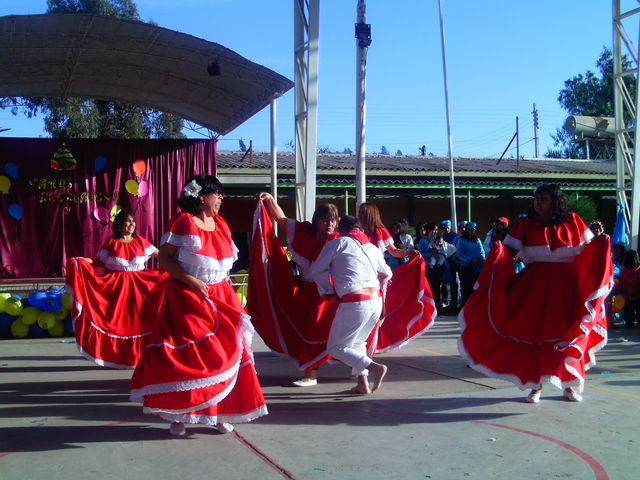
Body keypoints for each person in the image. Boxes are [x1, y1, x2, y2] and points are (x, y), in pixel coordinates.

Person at [130, 175, 267, 436]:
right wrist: (191, 280)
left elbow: (224, 265)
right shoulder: (183, 222)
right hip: (187, 299)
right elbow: (166, 261)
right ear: (202, 196)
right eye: (218, 194)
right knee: (190, 360)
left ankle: (218, 413)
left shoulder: (222, 224)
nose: (221, 199)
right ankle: (179, 416)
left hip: (222, 298)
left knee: (227, 358)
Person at [458, 184, 613, 404]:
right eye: (536, 199)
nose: (538, 203)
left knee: (568, 335)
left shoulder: (573, 221)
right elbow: (508, 251)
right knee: (534, 335)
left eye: (544, 199)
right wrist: (498, 254)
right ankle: (535, 385)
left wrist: (602, 243)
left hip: (567, 288)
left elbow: (589, 247)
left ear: (555, 201)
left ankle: (570, 384)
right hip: (534, 286)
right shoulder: (526, 224)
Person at [249, 192, 340, 387]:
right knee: (306, 332)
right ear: (317, 221)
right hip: (306, 292)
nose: (330, 225)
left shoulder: (339, 240)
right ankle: (321, 372)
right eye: (326, 220)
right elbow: (281, 220)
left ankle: (356, 371)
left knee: (324, 332)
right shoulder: (303, 233)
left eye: (333, 221)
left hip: (329, 294)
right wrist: (271, 200)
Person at [66, 209, 162, 368]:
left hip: (140, 287)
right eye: (127, 221)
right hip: (116, 287)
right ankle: (118, 355)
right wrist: (82, 261)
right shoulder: (111, 242)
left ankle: (141, 356)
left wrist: (178, 258)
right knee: (118, 322)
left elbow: (161, 255)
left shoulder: (141, 241)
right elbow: (100, 262)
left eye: (133, 221)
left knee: (139, 321)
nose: (131, 224)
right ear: (119, 225)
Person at [311, 216, 391, 394]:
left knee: (336, 347)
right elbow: (387, 272)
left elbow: (316, 271)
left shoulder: (338, 243)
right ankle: (363, 384)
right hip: (375, 300)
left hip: (356, 301)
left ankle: (374, 367)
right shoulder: (371, 247)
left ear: (342, 228)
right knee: (358, 343)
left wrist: (328, 290)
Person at [357, 203, 436, 352]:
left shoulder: (381, 232)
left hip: (377, 278)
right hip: (359, 277)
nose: (360, 216)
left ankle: (371, 344)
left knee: (379, 312)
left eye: (363, 213)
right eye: (359, 213)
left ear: (371, 215)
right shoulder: (356, 231)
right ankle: (360, 343)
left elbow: (394, 252)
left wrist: (409, 252)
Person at [419, 232, 457, 312]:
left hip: (442, 266)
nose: (439, 242)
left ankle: (442, 303)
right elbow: (427, 251)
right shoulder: (431, 244)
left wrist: (447, 257)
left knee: (443, 285)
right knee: (435, 286)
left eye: (440, 241)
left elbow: (452, 251)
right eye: (437, 241)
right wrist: (433, 252)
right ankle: (436, 304)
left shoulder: (446, 246)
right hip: (434, 267)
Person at [456, 222, 485, 305]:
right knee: (466, 288)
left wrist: (481, 259)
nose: (472, 231)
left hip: (477, 268)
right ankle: (465, 306)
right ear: (467, 230)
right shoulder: (461, 240)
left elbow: (481, 251)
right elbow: (459, 254)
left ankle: (474, 306)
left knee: (475, 288)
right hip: (466, 268)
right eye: (470, 229)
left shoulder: (477, 240)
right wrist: (470, 260)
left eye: (474, 229)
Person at [615, 249, 640, 328]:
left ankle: (629, 323)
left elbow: (621, 285)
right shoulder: (639, 271)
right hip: (638, 296)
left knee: (628, 313)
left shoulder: (624, 272)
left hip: (627, 296)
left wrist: (622, 292)